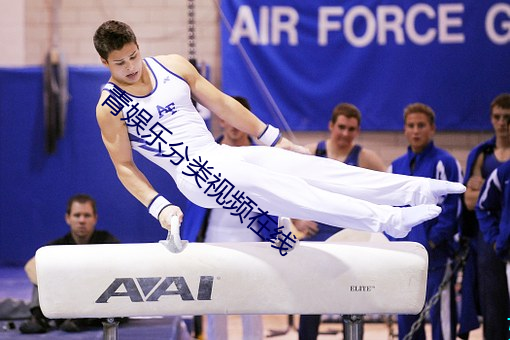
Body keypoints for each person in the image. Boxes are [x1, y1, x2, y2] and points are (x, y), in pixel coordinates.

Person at [93, 20, 465, 253]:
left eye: (133, 56)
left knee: (313, 169)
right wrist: (159, 205)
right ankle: (385, 220)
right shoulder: (110, 107)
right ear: (105, 63)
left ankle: (411, 190)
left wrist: (273, 139)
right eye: (120, 63)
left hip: (222, 154)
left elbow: (223, 103)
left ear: (139, 46)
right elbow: (124, 167)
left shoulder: (171, 65)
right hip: (196, 175)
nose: (130, 68)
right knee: (294, 194)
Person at [296, 102, 386, 340]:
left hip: (351, 239)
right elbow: (285, 189)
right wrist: (297, 219)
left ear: (357, 131)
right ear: (331, 126)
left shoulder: (366, 158)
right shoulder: (311, 152)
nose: (346, 134)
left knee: (354, 299)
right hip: (317, 235)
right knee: (310, 301)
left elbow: (389, 192)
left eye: (351, 129)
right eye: (342, 127)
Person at [181, 96, 266, 340]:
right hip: (213, 238)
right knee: (215, 304)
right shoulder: (206, 155)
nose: (235, 126)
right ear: (221, 119)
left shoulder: (261, 158)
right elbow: (193, 200)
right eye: (230, 119)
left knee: (253, 305)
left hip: (253, 239)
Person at [387, 103, 462, 340]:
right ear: (405, 130)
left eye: (421, 125)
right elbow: (388, 209)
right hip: (405, 259)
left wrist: (432, 241)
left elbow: (452, 209)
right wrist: (395, 243)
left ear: (432, 129)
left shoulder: (445, 163)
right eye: (411, 126)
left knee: (442, 321)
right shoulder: (395, 167)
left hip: (436, 257)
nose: (416, 131)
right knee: (407, 321)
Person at [19, 194, 120, 334]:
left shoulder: (108, 242)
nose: (82, 220)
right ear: (68, 218)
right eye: (77, 215)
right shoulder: (57, 246)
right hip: (65, 298)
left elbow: (118, 270)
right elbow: (30, 266)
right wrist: (60, 283)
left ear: (95, 218)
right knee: (42, 270)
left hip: (96, 301)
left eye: (87, 215)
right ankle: (38, 318)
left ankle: (80, 319)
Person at [460, 93, 510, 340]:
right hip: (489, 238)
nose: (502, 123)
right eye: (497, 117)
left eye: (507, 118)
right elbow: (469, 202)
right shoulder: (482, 154)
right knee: (493, 304)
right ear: (491, 119)